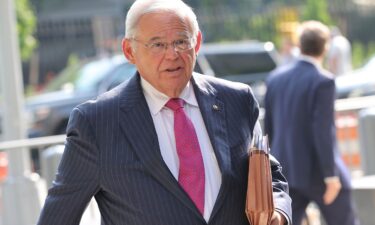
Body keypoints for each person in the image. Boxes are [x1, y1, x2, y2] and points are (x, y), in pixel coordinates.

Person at [37, 0, 292, 224]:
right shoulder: (96, 123)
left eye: (181, 41)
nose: (172, 55)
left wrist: (278, 212)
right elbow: (58, 217)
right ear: (129, 51)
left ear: (198, 42)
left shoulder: (236, 100)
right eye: (157, 44)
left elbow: (268, 174)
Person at [264, 21, 359, 225]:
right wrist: (331, 177)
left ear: (299, 44)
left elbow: (269, 129)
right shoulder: (323, 80)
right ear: (325, 47)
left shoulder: (274, 79)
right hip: (318, 173)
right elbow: (323, 130)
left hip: (285, 172)